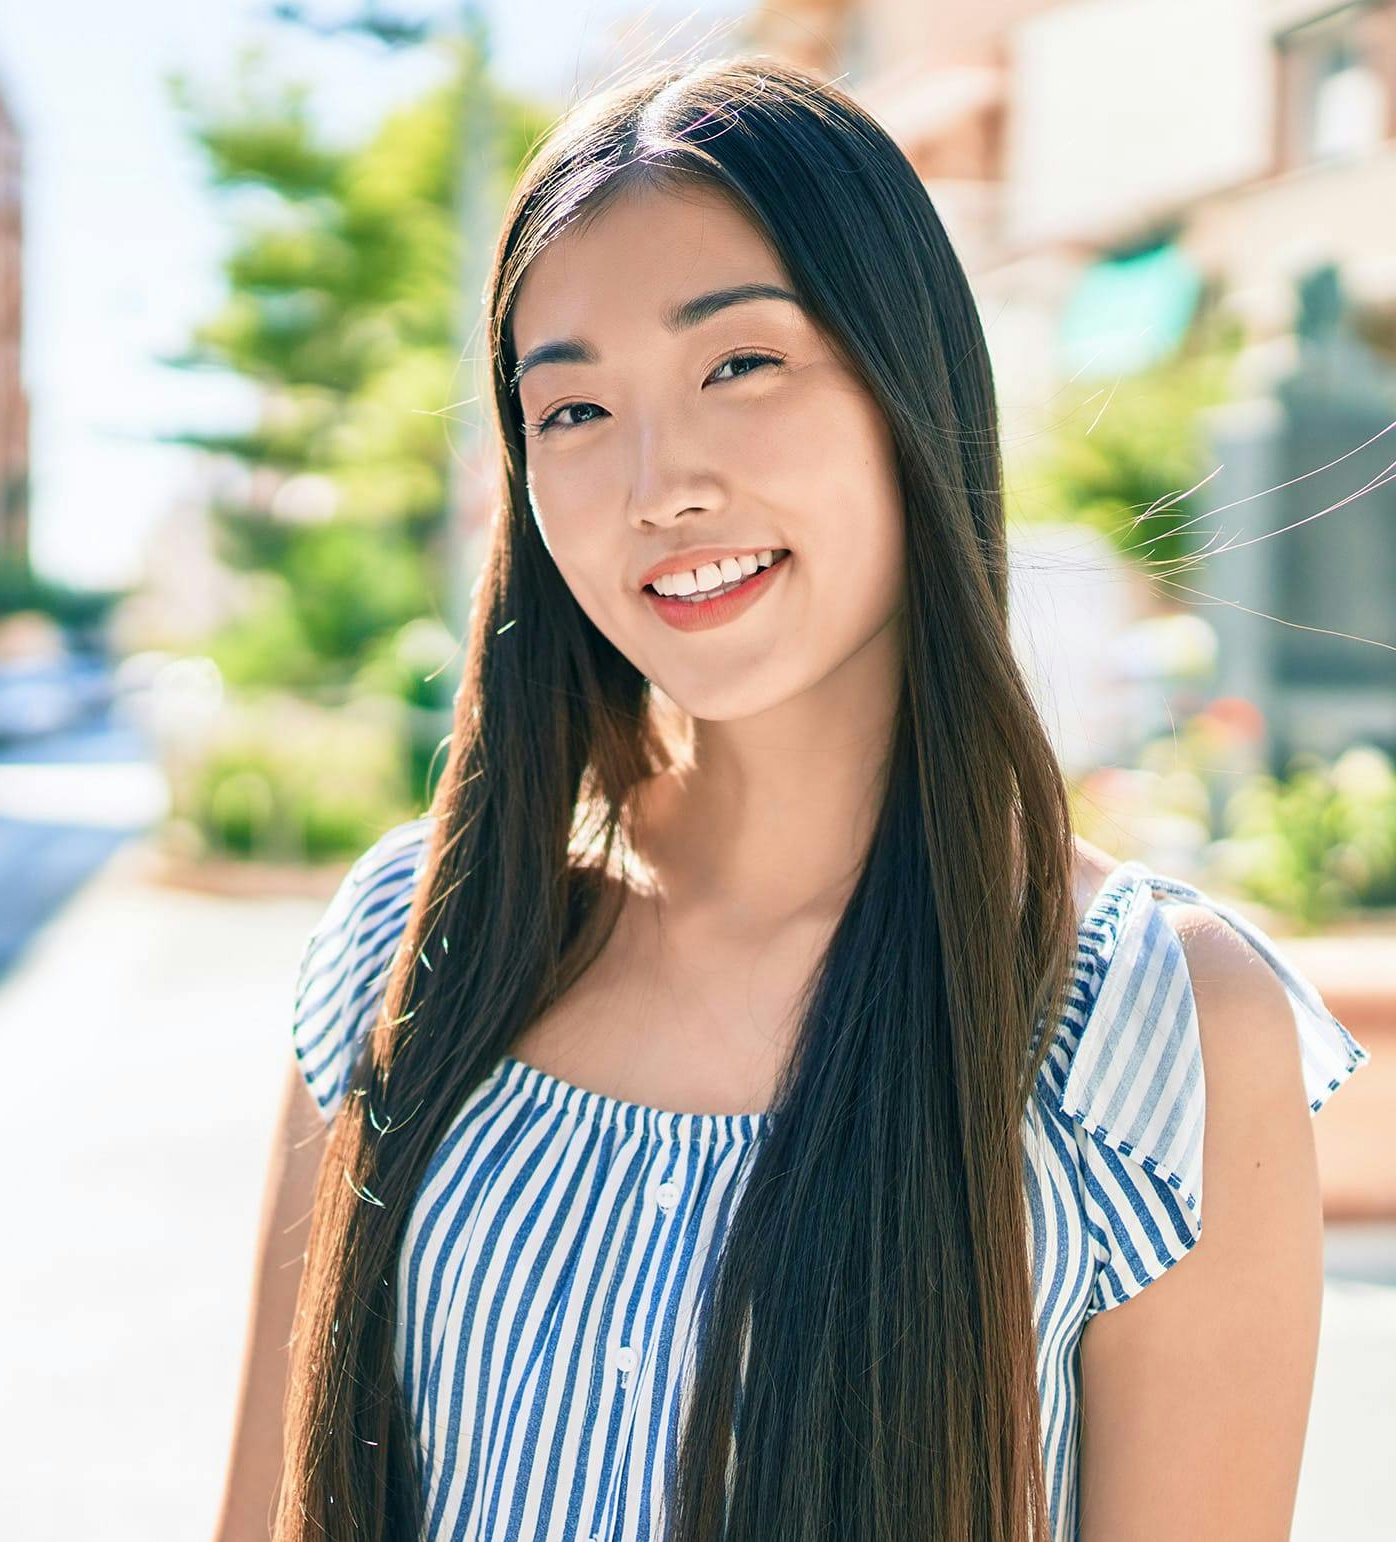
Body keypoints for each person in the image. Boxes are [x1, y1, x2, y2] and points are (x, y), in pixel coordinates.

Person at [210, 54, 1370, 1542]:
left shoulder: (1151, 1026)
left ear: (909, 388)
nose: (657, 482)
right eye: (571, 412)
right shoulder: (410, 935)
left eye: (739, 364)